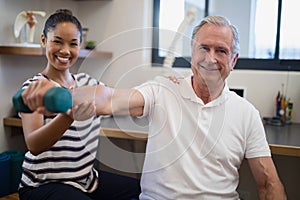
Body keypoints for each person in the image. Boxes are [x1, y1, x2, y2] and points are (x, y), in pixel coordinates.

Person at [21, 15, 287, 199]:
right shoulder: (162, 90)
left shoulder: (246, 113)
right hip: (48, 185)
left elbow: (269, 183)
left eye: (221, 51)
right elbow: (106, 97)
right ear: (192, 53)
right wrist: (58, 97)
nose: (210, 58)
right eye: (203, 48)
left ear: (234, 59)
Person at [17, 9, 140, 200]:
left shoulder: (89, 83)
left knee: (143, 190)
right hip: (42, 185)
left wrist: (158, 92)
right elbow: (34, 144)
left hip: (85, 180)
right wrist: (68, 116)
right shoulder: (34, 87)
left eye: (73, 44)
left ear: (79, 46)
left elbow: (122, 102)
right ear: (43, 40)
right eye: (57, 41)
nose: (65, 50)